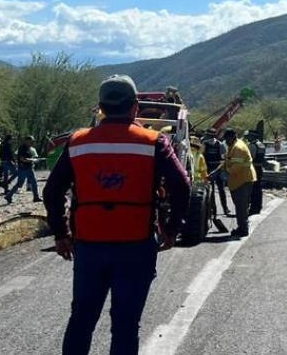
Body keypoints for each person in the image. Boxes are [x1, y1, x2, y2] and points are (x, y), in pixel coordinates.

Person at [45, 75, 189, 355]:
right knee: (125, 325)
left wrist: (61, 234)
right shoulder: (153, 141)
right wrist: (172, 228)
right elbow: (182, 184)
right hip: (135, 245)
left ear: (101, 108)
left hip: (89, 246)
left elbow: (52, 191)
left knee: (82, 320)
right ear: (135, 107)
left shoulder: (77, 142)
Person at [209, 129, 255, 237]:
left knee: (241, 206)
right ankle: (242, 226)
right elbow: (226, 161)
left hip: (243, 179)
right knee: (239, 205)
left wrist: (225, 172)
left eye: (227, 139)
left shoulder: (238, 147)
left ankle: (243, 229)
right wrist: (217, 170)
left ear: (232, 137)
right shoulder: (232, 146)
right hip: (238, 180)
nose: (225, 141)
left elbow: (237, 166)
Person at [202, 130, 231, 216]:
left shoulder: (205, 143)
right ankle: (224, 209)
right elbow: (224, 158)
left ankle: (213, 209)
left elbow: (201, 156)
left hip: (211, 169)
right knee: (220, 190)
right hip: (217, 169)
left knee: (211, 190)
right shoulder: (220, 144)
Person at [5, 135, 40, 204]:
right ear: (27, 141)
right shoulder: (22, 149)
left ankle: (9, 195)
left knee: (19, 184)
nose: (32, 143)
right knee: (34, 182)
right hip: (25, 168)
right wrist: (32, 160)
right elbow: (22, 159)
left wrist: (32, 160)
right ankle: (36, 197)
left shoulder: (28, 148)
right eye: (31, 141)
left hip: (25, 168)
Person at [247, 131, 266, 215]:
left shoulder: (252, 145)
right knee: (258, 188)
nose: (248, 138)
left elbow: (250, 158)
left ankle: (253, 208)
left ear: (252, 136)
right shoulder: (261, 145)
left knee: (253, 189)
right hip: (260, 168)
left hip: (253, 168)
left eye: (249, 136)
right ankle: (258, 206)